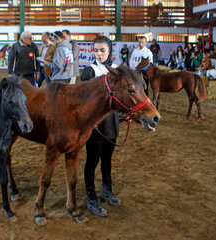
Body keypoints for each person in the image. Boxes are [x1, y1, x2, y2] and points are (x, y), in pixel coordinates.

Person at [81, 36, 120, 217]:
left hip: (112, 123)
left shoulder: (116, 72)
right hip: (96, 126)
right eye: (96, 50)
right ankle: (91, 198)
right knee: (92, 162)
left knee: (107, 160)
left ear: (109, 51)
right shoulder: (89, 71)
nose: (99, 53)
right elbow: (85, 100)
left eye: (102, 50)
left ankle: (107, 190)